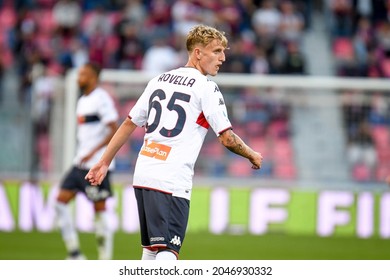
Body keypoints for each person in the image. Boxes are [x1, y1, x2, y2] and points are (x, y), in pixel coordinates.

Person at [85, 25, 263, 260]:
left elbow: (129, 123)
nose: (223, 58)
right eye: (217, 51)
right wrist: (252, 154)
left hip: (144, 175)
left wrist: (104, 162)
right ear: (198, 53)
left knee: (150, 251)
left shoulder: (159, 80)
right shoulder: (206, 87)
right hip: (171, 179)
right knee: (169, 251)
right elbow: (227, 137)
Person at [55, 62, 119, 260]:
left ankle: (104, 259)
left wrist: (93, 151)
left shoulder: (101, 99)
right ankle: (74, 253)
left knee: (99, 211)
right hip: (79, 163)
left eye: (83, 74)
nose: (78, 78)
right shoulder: (83, 100)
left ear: (93, 77)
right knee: (60, 202)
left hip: (96, 165)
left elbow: (114, 129)